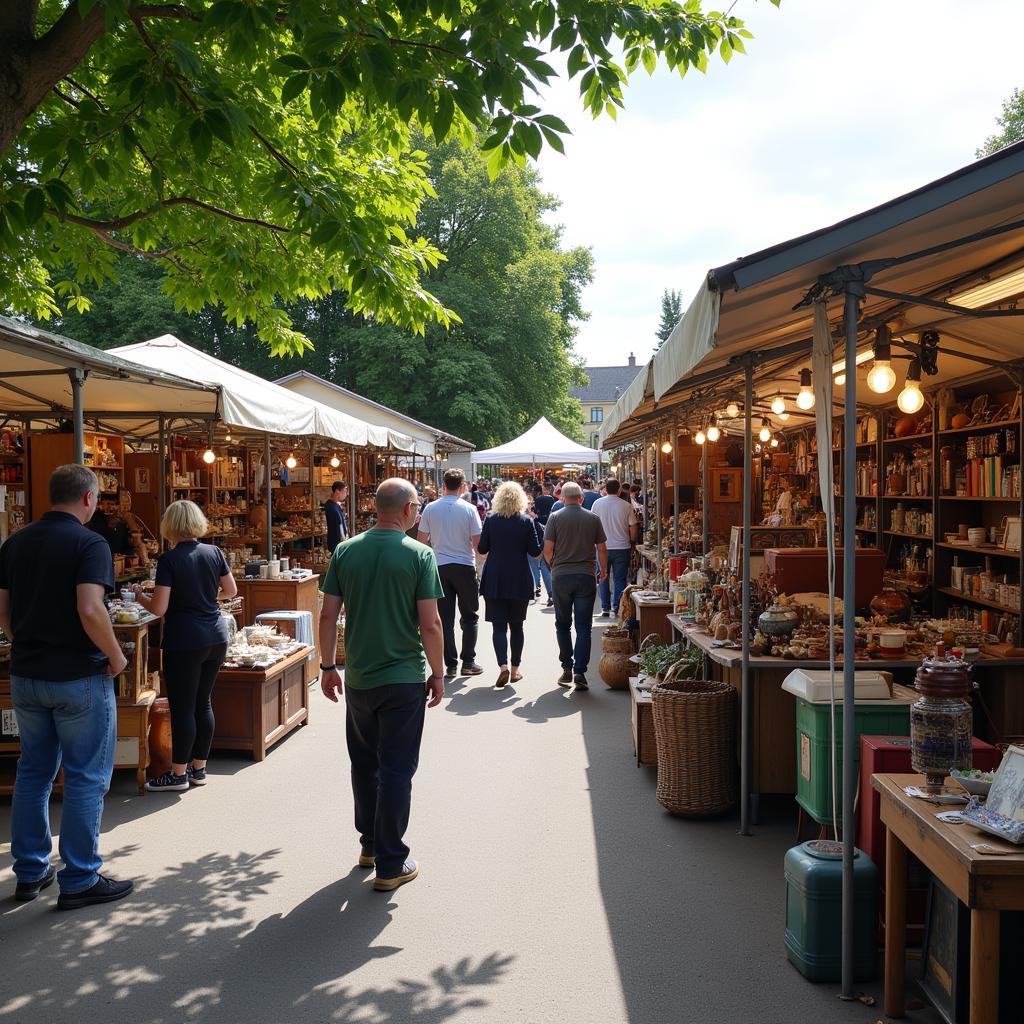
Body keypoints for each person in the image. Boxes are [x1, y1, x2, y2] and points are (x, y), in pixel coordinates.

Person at [0, 465, 133, 909]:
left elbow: (3, 608)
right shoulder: (89, 542)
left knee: (33, 772)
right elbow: (91, 609)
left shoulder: (15, 542)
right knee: (85, 776)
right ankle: (79, 876)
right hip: (77, 674)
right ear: (89, 498)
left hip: (27, 673)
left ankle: (31, 870)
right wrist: (116, 656)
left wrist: (23, 642)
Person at [318, 478, 445, 892]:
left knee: (364, 763)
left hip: (359, 676)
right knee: (396, 769)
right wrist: (439, 672)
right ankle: (392, 862)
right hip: (404, 676)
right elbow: (431, 623)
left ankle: (370, 845)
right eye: (419, 507)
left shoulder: (346, 550)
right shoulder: (419, 555)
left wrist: (327, 666)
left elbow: (327, 616)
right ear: (408, 508)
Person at [133, 501, 237, 792]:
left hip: (184, 640)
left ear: (170, 526)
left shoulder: (169, 560)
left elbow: (159, 608)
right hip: (216, 636)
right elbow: (231, 590)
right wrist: (205, 597)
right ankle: (198, 769)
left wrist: (140, 595)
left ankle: (177, 774)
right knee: (203, 703)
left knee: (183, 707)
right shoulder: (214, 552)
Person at [417, 468, 483, 679]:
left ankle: (451, 664)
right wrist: (479, 568)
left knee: (445, 619)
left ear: (443, 485)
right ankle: (468, 661)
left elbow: (421, 542)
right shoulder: (469, 509)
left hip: (439, 566)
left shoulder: (430, 508)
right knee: (470, 617)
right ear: (462, 486)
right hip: (464, 565)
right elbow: (477, 545)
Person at [544, 481, 608, 690]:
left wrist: (553, 567)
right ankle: (580, 671)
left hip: (561, 576)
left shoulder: (555, 517)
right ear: (581, 498)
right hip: (585, 576)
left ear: (562, 498)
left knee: (562, 624)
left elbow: (547, 549)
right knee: (583, 626)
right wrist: (603, 570)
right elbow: (601, 548)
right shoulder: (592, 518)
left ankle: (566, 667)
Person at [477, 482, 542, 688]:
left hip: (495, 576)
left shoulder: (491, 520)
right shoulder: (525, 521)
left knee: (498, 626)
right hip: (519, 577)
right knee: (517, 626)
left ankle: (503, 666)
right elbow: (534, 552)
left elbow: (482, 548)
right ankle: (515, 670)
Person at [592, 478, 638, 619]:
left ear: (605, 489)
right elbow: (633, 527)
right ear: (619, 490)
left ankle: (605, 607)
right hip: (622, 547)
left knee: (603, 576)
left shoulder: (597, 504)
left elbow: (591, 524)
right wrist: (632, 541)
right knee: (620, 579)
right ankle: (617, 606)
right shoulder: (626, 505)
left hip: (601, 546)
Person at [530, 481, 556, 606]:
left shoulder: (534, 520)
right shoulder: (554, 519)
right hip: (551, 545)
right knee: (548, 568)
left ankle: (537, 585)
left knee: (535, 565)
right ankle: (551, 593)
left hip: (537, 545)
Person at [324, 480, 349, 550]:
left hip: (340, 543)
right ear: (337, 491)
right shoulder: (331, 506)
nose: (346, 494)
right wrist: (343, 541)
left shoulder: (335, 505)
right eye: (344, 491)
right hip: (336, 543)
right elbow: (338, 526)